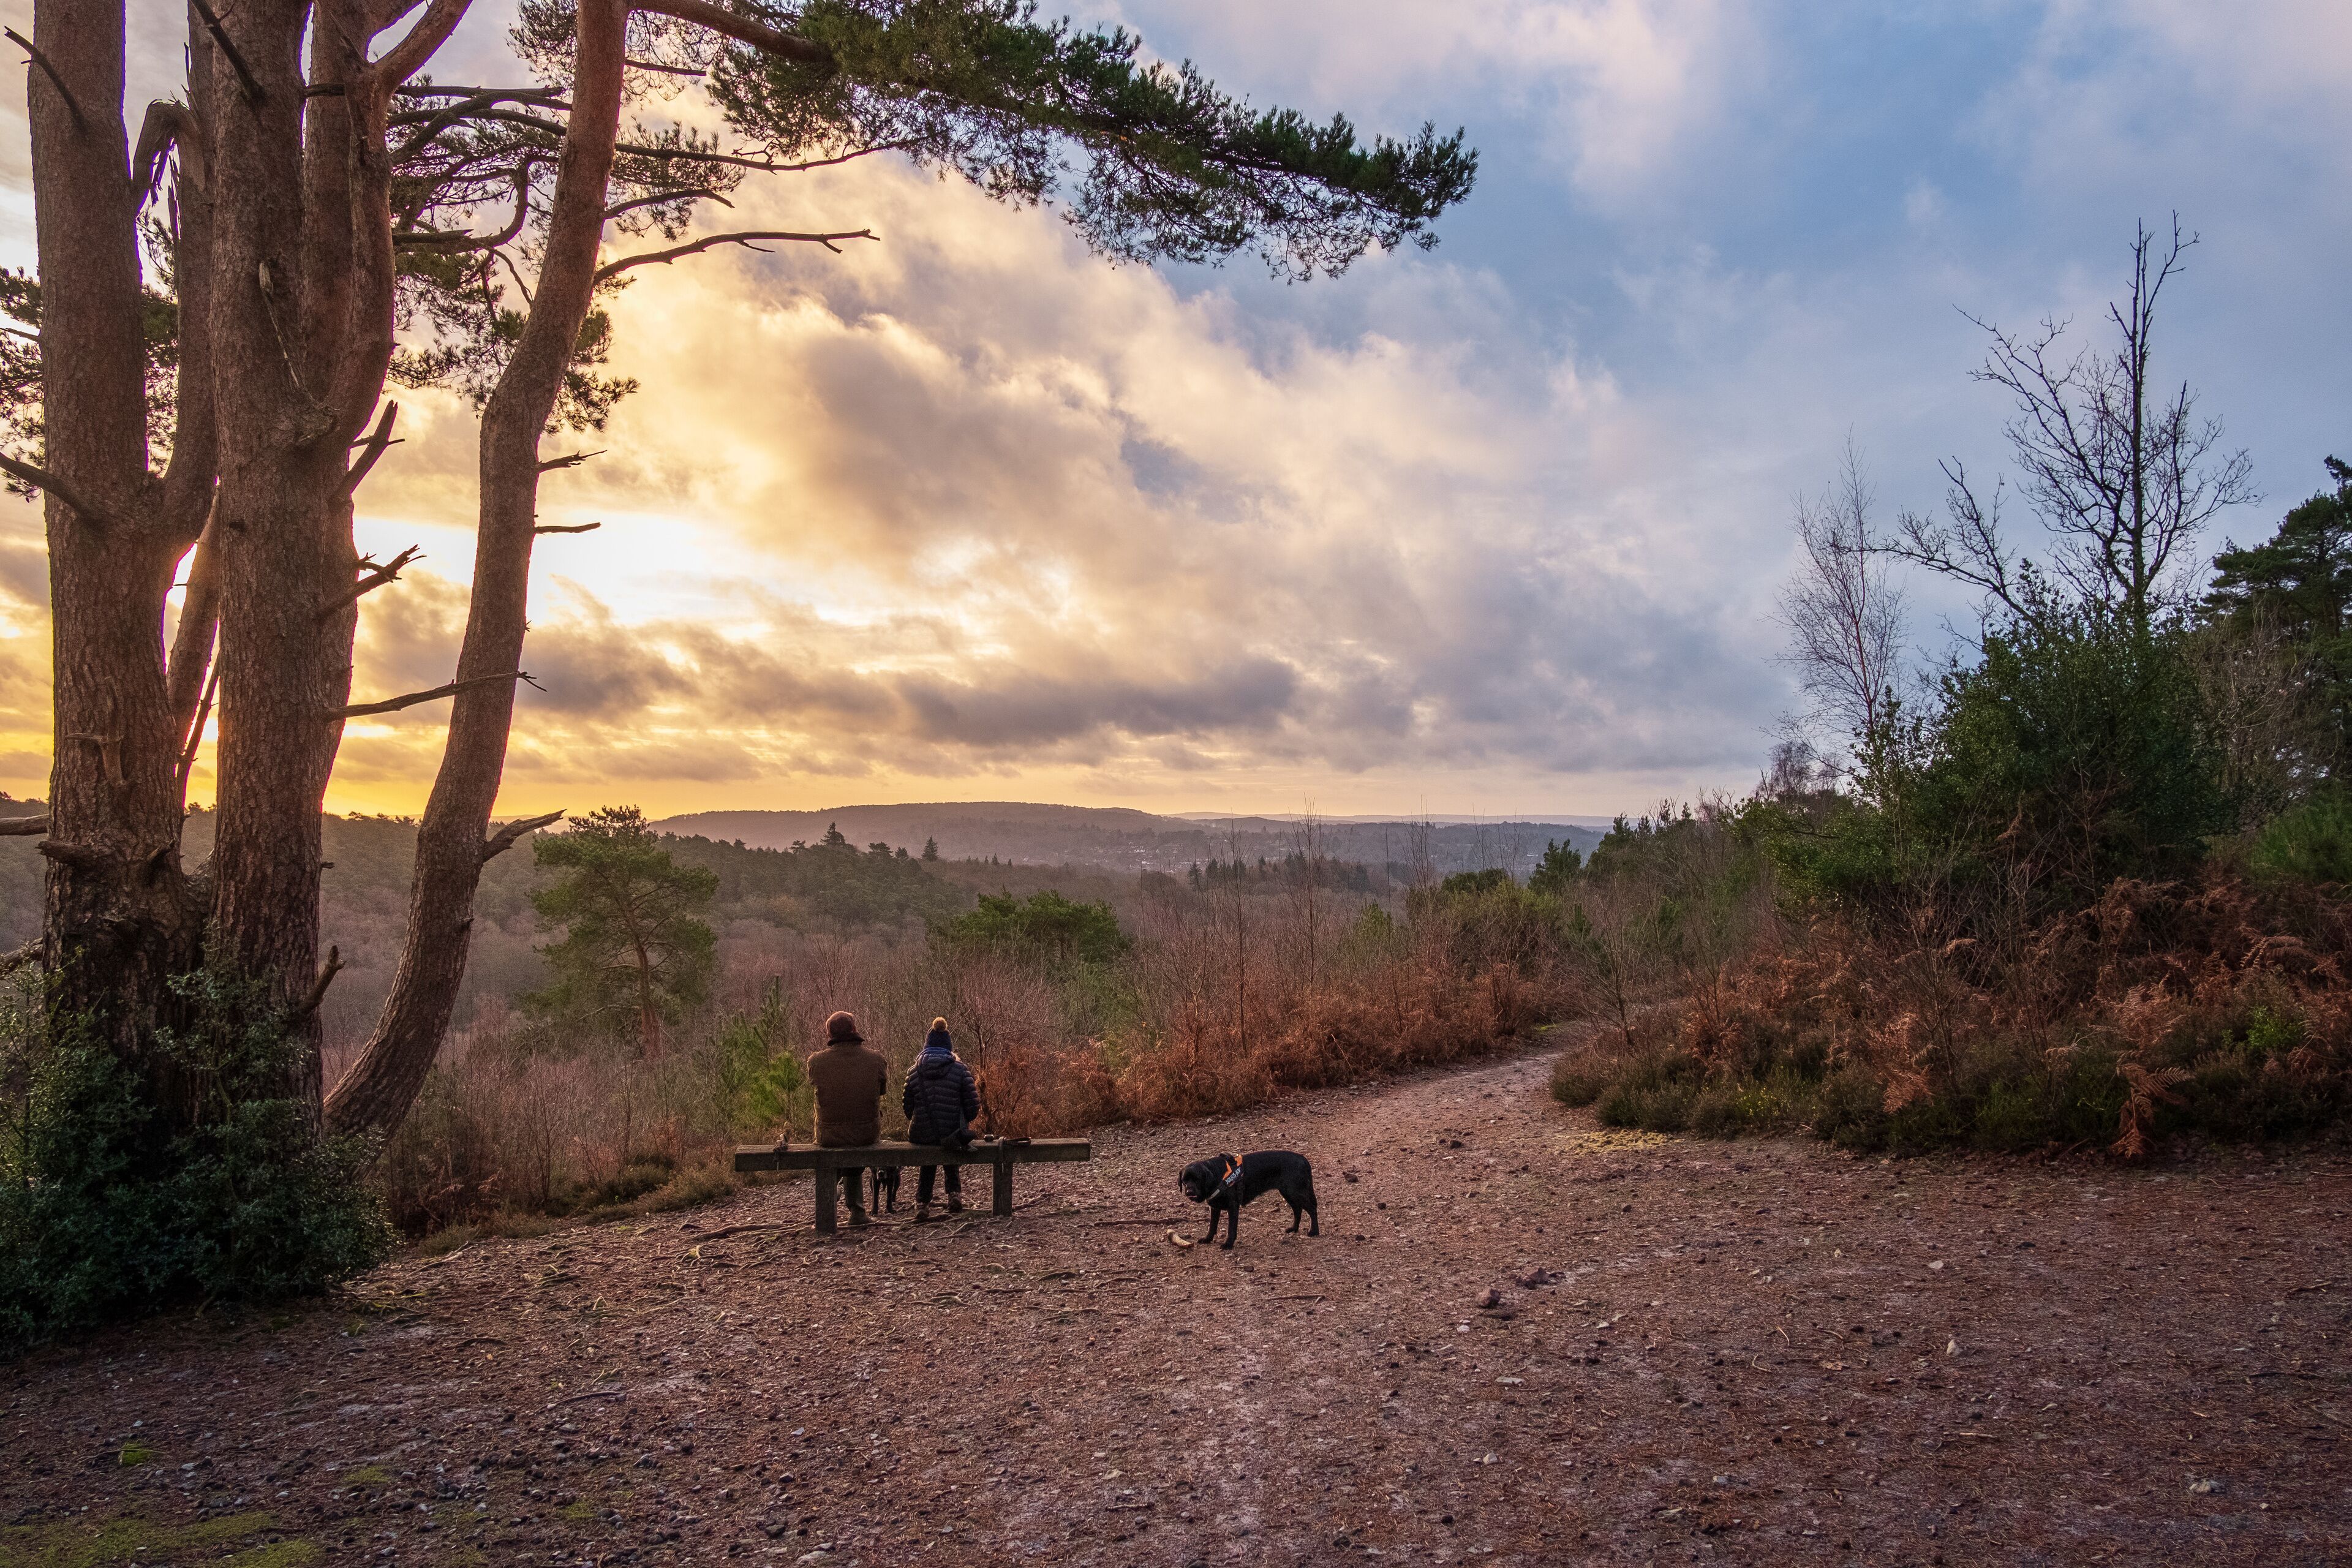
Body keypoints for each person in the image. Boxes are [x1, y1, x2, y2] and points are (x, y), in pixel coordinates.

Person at [807, 1010, 887, 1227]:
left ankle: (829, 1207)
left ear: (828, 1033)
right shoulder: (876, 1059)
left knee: (836, 1144)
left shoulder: (816, 1061)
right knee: (855, 1134)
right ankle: (857, 1211)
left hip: (828, 1135)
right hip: (866, 1132)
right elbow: (881, 1092)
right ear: (854, 1030)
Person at [902, 1017, 981, 1221]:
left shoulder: (913, 1073)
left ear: (926, 1046)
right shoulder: (961, 1070)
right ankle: (954, 1194)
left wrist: (921, 1121)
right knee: (951, 1138)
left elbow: (907, 1108)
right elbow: (973, 1106)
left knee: (930, 1150)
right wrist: (961, 1121)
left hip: (921, 1133)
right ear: (949, 1047)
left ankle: (922, 1202)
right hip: (951, 1134)